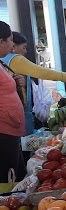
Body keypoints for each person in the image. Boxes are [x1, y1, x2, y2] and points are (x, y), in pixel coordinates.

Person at [0, 22, 27, 182]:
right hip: (3, 133)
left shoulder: (1, 62)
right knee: (7, 178)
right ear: (1, 41)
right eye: (10, 40)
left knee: (17, 174)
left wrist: (15, 83)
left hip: (10, 131)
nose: (12, 45)